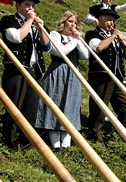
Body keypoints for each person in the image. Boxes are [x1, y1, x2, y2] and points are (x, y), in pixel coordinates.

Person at [0, 0, 51, 149]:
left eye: (33, 6)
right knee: (14, 105)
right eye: (27, 5)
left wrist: (40, 28)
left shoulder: (35, 25)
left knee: (31, 107)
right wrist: (29, 21)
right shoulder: (9, 20)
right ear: (18, 5)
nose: (31, 8)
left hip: (35, 70)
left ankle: (26, 141)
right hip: (17, 69)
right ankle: (8, 140)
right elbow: (16, 37)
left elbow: (47, 46)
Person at [35, 10, 88, 151]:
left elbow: (85, 55)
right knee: (56, 104)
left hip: (73, 75)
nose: (73, 25)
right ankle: (55, 145)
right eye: (70, 21)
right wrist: (75, 41)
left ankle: (66, 145)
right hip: (58, 72)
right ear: (63, 22)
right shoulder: (55, 35)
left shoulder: (75, 39)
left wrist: (78, 40)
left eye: (75, 22)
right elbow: (60, 52)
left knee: (69, 106)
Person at [84, 5, 126, 144]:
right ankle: (95, 138)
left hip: (117, 78)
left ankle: (125, 138)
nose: (111, 23)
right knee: (99, 109)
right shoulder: (92, 34)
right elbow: (98, 47)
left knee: (125, 107)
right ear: (100, 20)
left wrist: (122, 42)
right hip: (101, 77)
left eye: (113, 21)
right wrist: (113, 36)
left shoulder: (115, 37)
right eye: (109, 20)